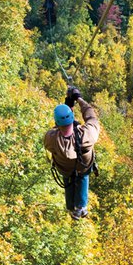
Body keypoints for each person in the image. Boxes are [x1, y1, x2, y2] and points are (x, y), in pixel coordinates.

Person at [43, 86, 100, 220]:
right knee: (82, 175)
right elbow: (92, 117)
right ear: (72, 119)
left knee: (69, 178)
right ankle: (81, 206)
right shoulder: (86, 135)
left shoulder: (51, 139)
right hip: (83, 165)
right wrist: (79, 99)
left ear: (57, 123)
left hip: (65, 169)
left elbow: (56, 129)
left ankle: (71, 207)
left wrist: (67, 106)